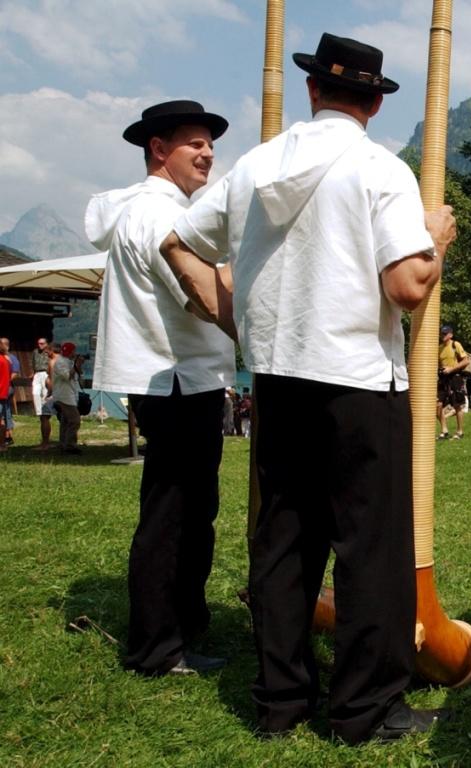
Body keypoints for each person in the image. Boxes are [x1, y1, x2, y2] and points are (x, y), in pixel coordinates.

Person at [160, 34, 457, 743]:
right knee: (370, 549)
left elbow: (177, 240)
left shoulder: (257, 166)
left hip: (279, 376)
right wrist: (436, 238)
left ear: (314, 91)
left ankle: (281, 702)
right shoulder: (380, 169)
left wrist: (230, 316)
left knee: (286, 543)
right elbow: (406, 285)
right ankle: (365, 711)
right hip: (357, 380)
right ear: (375, 103)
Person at [85, 99, 236, 677]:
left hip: (177, 377)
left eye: (209, 143)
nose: (208, 153)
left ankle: (182, 625)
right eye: (194, 143)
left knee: (189, 508)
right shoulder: (158, 215)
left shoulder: (151, 208)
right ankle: (158, 647)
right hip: (176, 379)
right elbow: (201, 296)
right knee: (175, 514)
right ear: (158, 148)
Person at [436, 324, 471, 440]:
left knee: (457, 405)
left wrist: (451, 369)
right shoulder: (439, 348)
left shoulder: (456, 344)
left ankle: (460, 431)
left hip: (455, 377)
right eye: (442, 333)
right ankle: (444, 430)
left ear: (451, 335)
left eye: (445, 333)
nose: (443, 335)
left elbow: (466, 361)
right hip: (443, 378)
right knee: (437, 405)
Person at [51, 342, 83, 454]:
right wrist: (76, 365)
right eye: (73, 351)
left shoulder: (68, 361)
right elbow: (68, 376)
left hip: (70, 395)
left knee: (66, 421)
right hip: (64, 396)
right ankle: (70, 445)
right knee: (75, 420)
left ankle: (63, 444)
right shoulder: (60, 362)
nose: (74, 353)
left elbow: (78, 376)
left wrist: (78, 365)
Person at [0, 337, 16, 445]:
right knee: (2, 419)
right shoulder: (6, 360)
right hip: (3, 392)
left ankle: (2, 444)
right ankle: (3, 443)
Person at [31, 337, 51, 417]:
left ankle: (46, 411)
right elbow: (33, 362)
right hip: (37, 373)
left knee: (45, 392)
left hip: (46, 373)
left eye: (42, 343)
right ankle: (38, 412)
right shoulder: (35, 352)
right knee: (35, 392)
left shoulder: (49, 352)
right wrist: (33, 372)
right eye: (38, 343)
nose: (40, 345)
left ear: (46, 344)